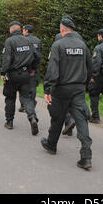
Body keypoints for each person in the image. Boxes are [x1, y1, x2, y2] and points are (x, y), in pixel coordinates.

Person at [41, 16, 93, 170]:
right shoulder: (83, 45)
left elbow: (53, 70)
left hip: (61, 89)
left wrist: (47, 89)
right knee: (81, 120)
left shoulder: (58, 45)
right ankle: (86, 156)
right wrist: (85, 83)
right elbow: (90, 67)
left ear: (62, 29)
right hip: (78, 89)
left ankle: (51, 145)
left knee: (57, 118)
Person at [0, 21, 40, 135]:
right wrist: (32, 69)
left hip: (13, 75)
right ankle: (32, 118)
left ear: (11, 30)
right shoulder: (28, 40)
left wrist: (3, 73)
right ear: (19, 29)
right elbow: (36, 56)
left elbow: (7, 59)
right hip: (26, 74)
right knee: (26, 98)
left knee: (10, 98)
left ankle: (9, 122)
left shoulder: (9, 41)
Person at [18, 24, 42, 120]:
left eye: (23, 30)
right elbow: (39, 56)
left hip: (25, 68)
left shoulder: (24, 40)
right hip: (34, 69)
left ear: (26, 31)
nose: (22, 31)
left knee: (22, 87)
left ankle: (25, 105)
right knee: (32, 87)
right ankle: (30, 102)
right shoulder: (38, 40)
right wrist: (34, 68)